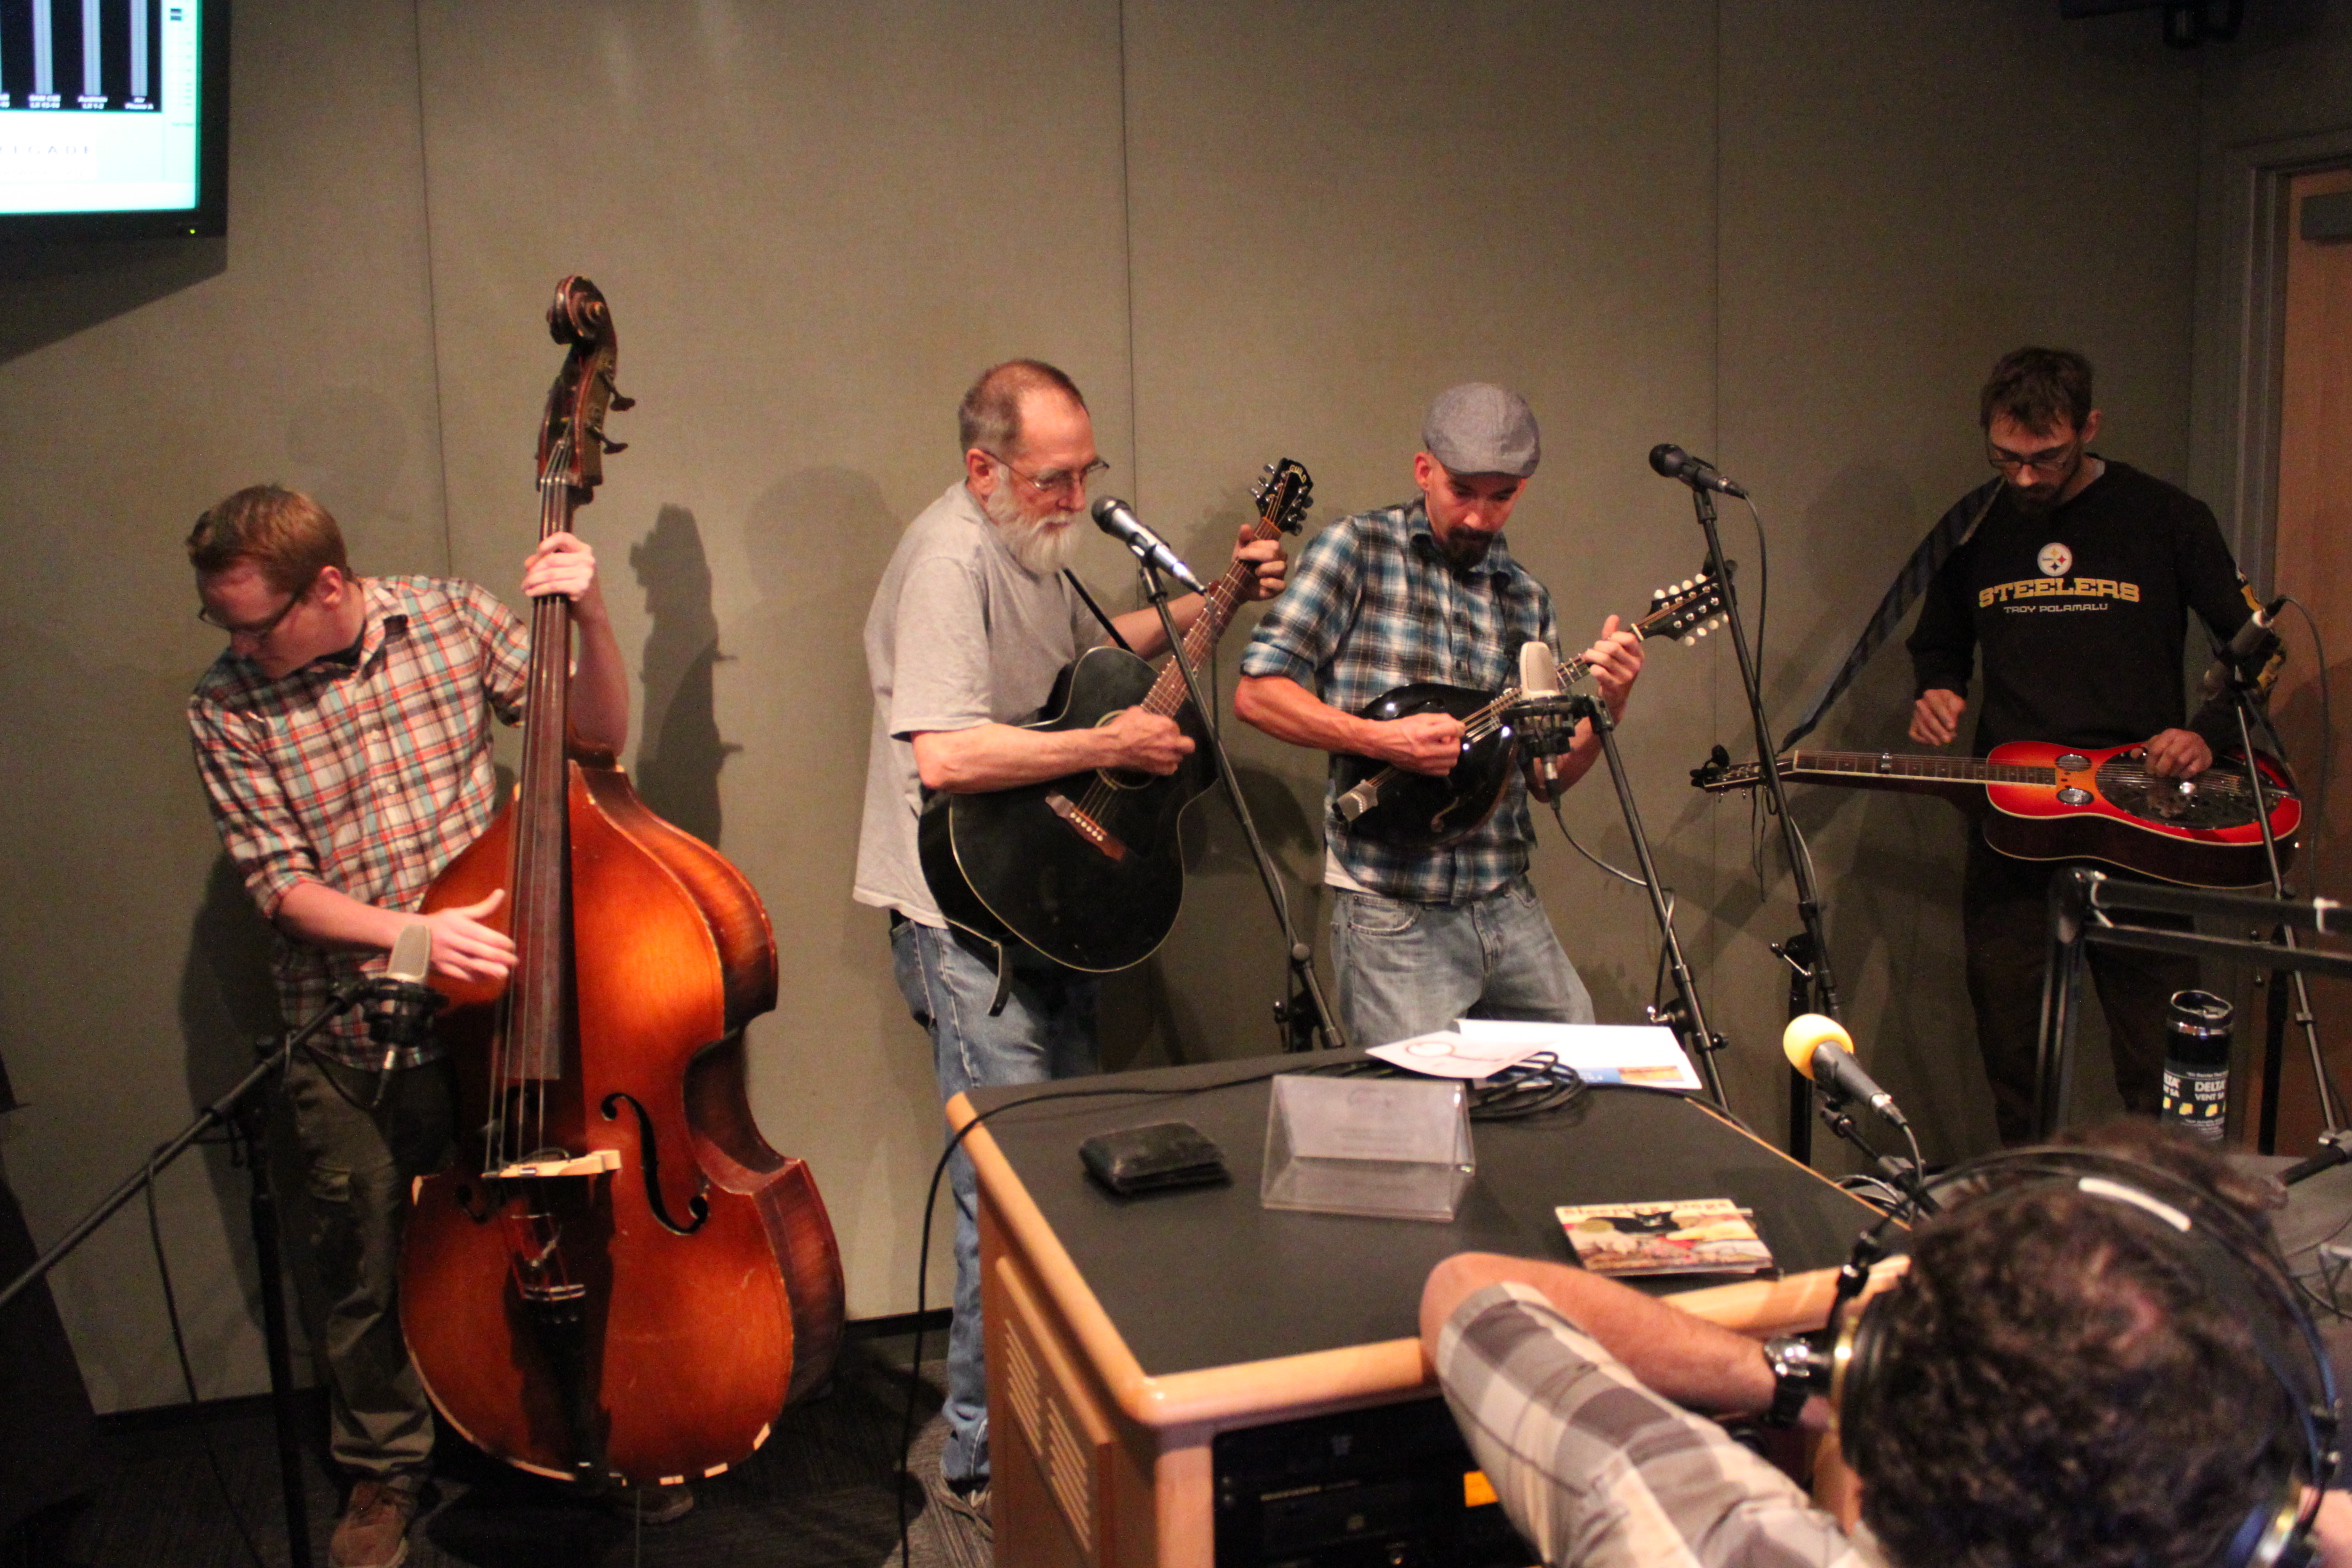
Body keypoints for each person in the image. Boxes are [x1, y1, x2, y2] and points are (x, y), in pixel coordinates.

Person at [853, 359, 1286, 1516]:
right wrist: (1106, 750)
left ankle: (1055, 1425)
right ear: (983, 467)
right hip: (967, 926)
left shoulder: (1031, 545)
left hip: (1040, 903)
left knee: (1061, 1180)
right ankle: (981, 1459)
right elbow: (945, 753)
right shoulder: (951, 558)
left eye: (1087, 473)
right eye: (1055, 477)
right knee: (1008, 1197)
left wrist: (1218, 598)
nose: (1075, 495)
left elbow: (1098, 647)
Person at [185, 485, 629, 1568]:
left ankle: (583, 1433)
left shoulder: (452, 615)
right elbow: (281, 888)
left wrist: (596, 614)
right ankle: (386, 1464)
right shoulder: (224, 705)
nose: (237, 646)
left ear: (328, 585)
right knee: (365, 1257)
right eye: (225, 624)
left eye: (254, 622)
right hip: (346, 1033)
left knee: (541, 1229)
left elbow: (598, 738)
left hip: (502, 1015)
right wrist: (413, 936)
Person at [1420, 1121, 2351, 1568]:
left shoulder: (1701, 1539)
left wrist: (1795, 1378)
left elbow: (1475, 1292)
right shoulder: (2248, 1519)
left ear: (1878, 1402)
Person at [1907, 347, 2266, 1143]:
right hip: (2015, 820)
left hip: (2143, 815)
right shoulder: (1973, 526)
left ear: (2089, 428)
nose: (2027, 478)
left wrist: (2204, 736)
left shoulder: (2169, 517)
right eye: (2007, 458)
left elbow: (2252, 648)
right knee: (2013, 1042)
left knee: (2161, 1045)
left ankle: (2175, 1214)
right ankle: (2033, 1208)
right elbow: (1937, 644)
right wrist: (1939, 689)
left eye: (2048, 458)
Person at [1233, 382, 1643, 1050]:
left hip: (1505, 900)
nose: (1481, 517)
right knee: (1415, 1125)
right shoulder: (1357, 552)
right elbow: (1257, 693)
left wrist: (1610, 705)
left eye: (1502, 496)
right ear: (1424, 471)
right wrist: (1379, 740)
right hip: (1394, 908)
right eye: (1463, 491)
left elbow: (1545, 779)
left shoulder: (1527, 599)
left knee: (1573, 1088)